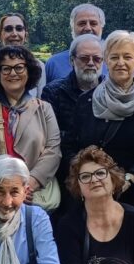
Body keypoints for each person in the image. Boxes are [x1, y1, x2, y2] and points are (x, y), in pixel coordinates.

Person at [61, 31, 134, 222]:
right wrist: (89, 178)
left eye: (127, 57)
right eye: (114, 57)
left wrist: (129, 178)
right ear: (106, 61)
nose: (121, 62)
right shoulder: (85, 102)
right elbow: (70, 146)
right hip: (92, 195)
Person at [0, 46, 60, 213]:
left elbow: (53, 151)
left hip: (32, 195)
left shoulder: (44, 109)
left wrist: (29, 183)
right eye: (6, 68)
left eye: (19, 67)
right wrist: (3, 184)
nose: (13, 73)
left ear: (29, 71)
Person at [42, 34, 104, 206]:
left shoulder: (110, 93)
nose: (91, 63)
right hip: (66, 176)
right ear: (72, 60)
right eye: (84, 58)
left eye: (97, 58)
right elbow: (52, 137)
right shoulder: (53, 92)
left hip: (103, 176)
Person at [44, 3, 105, 83]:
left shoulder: (113, 63)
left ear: (101, 28)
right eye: (82, 23)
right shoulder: (54, 64)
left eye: (93, 23)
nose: (88, 28)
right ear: (72, 28)